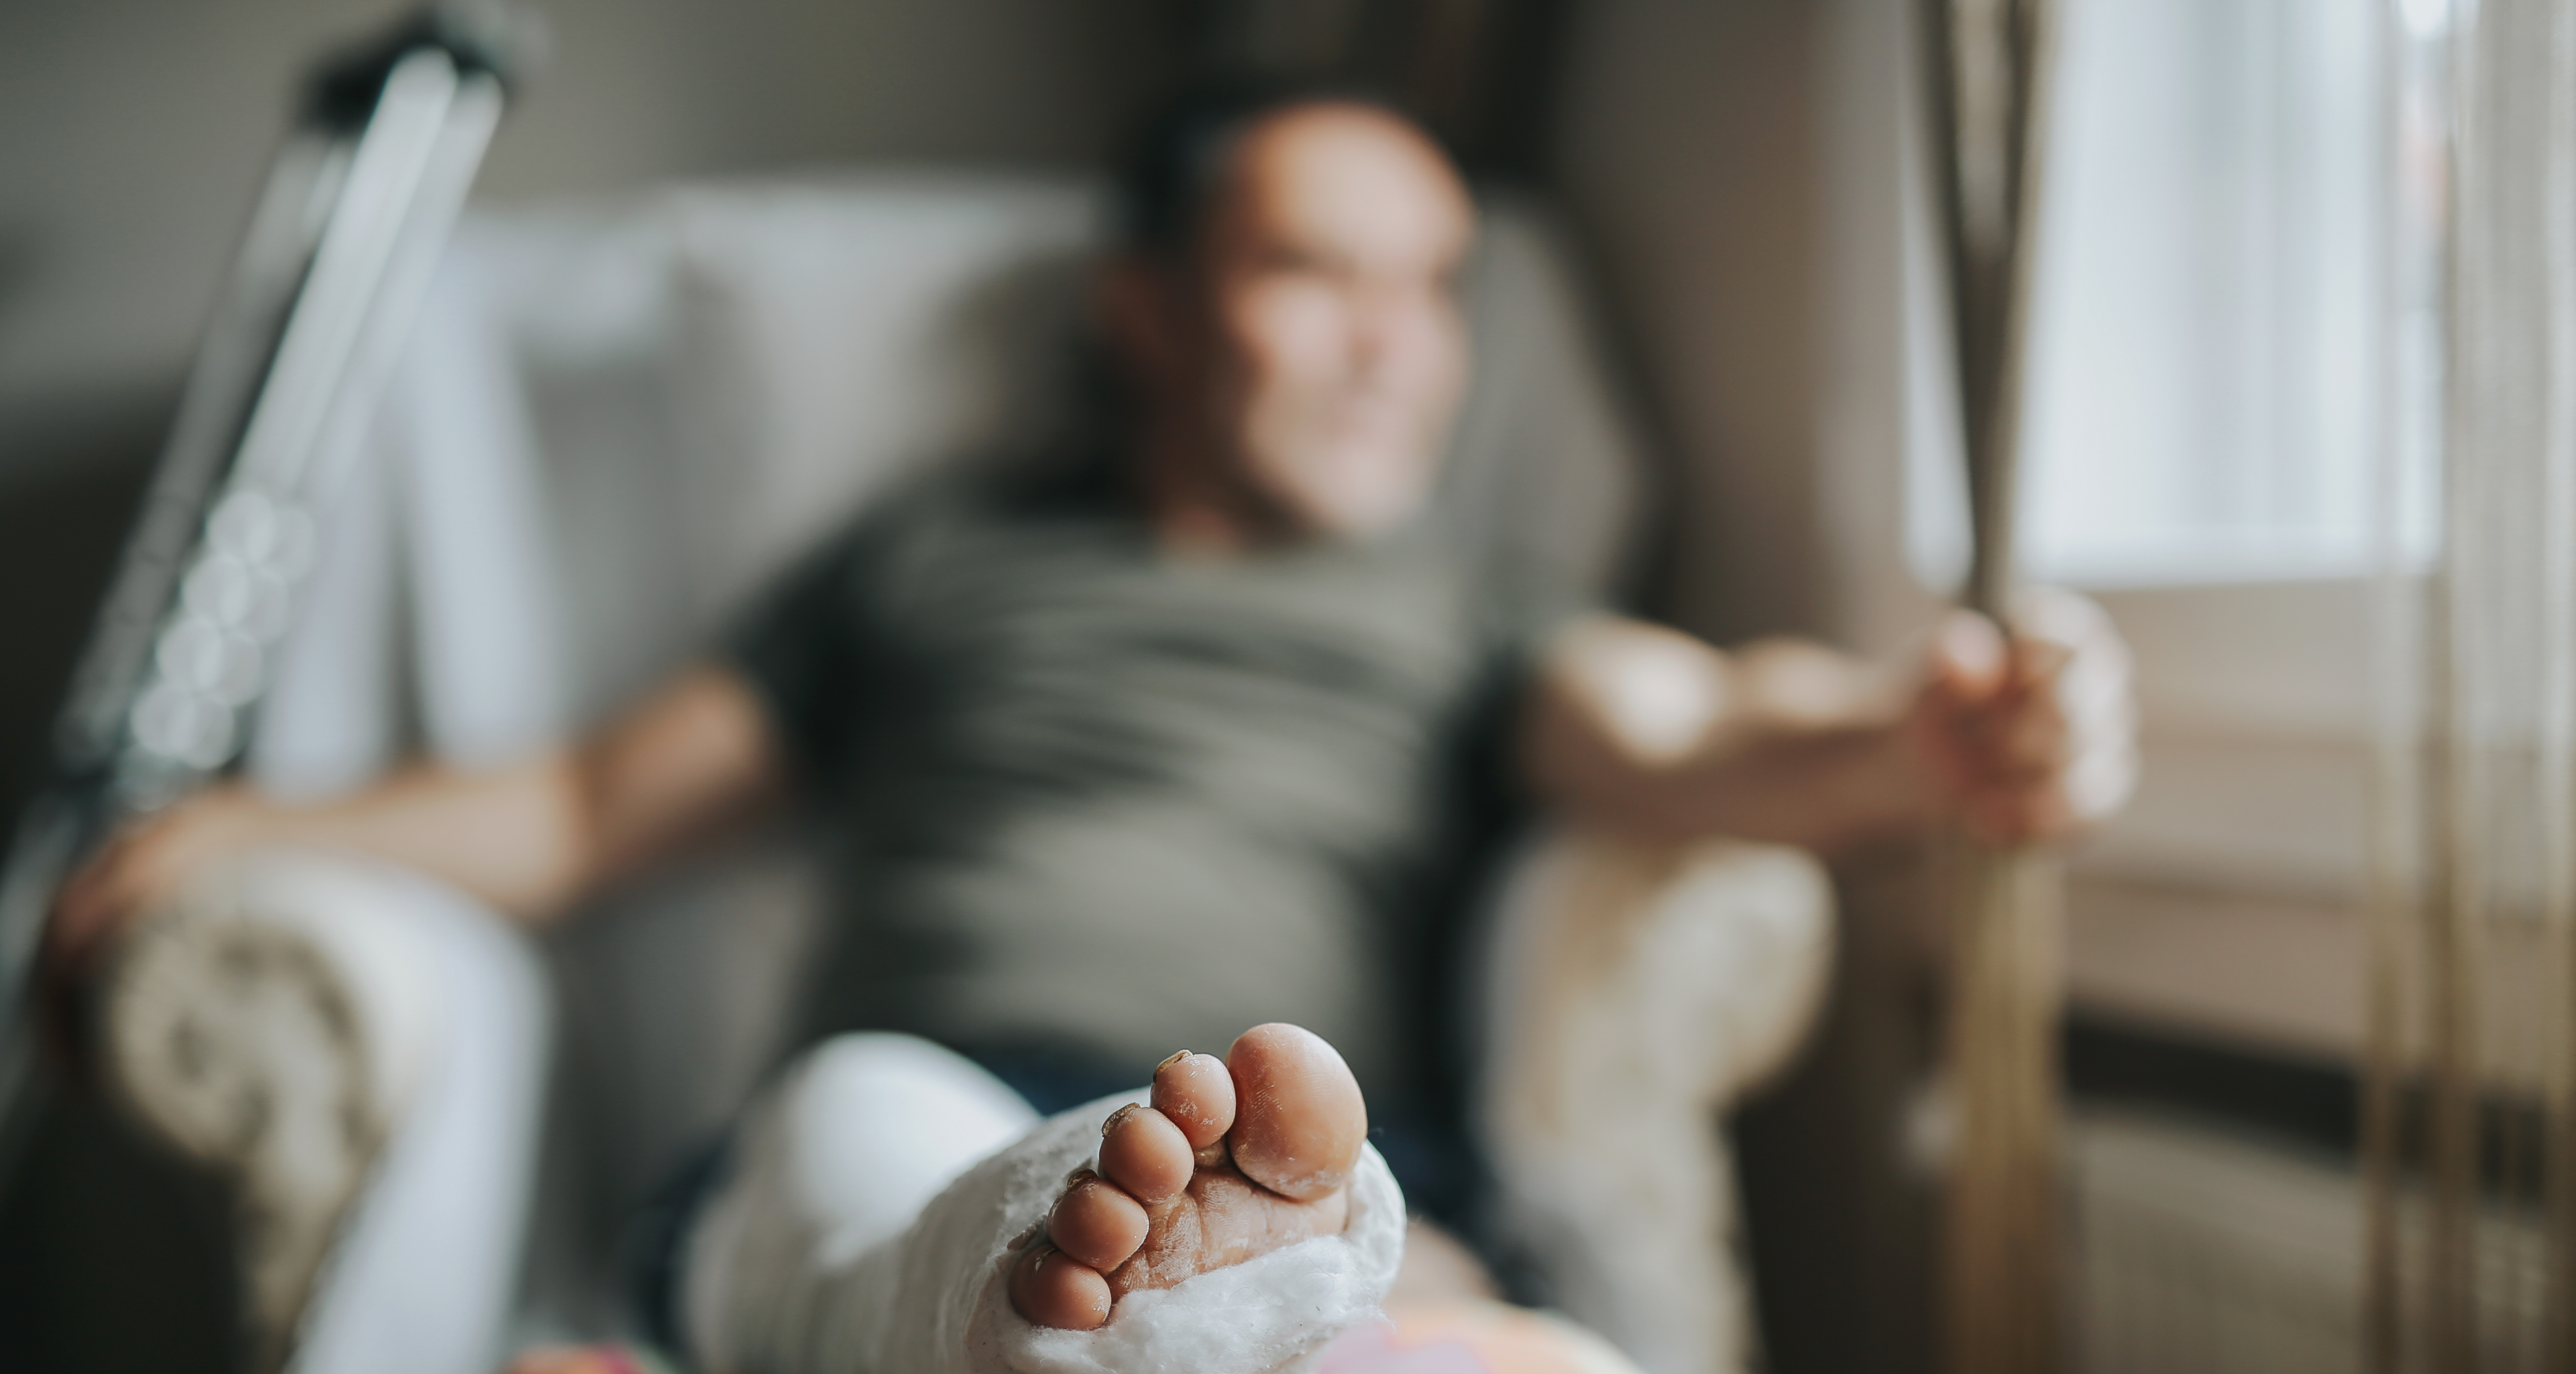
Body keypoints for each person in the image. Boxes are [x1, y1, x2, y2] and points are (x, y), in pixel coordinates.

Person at [45, 80, 2135, 1249]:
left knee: (1315, 1242)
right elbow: (589, 807)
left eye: (1433, 287)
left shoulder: (1465, 605)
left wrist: (1914, 734)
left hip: (1303, 1155)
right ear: (1147, 310)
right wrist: (248, 827)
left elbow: (1682, 727)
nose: (1392, 342)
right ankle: (1055, 1370)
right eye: (1310, 273)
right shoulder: (936, 553)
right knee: (861, 1161)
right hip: (902, 1138)